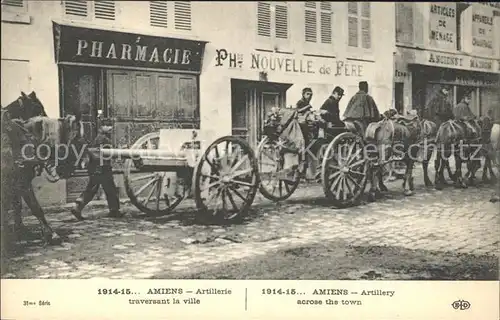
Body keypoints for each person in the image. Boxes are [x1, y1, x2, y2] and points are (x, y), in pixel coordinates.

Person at [71, 118, 121, 220]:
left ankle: (78, 206)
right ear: (102, 127)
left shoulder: (99, 137)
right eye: (108, 126)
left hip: (96, 167)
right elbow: (107, 154)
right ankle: (114, 210)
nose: (110, 128)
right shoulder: (104, 139)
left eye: (110, 125)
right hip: (102, 168)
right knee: (107, 189)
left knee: (96, 189)